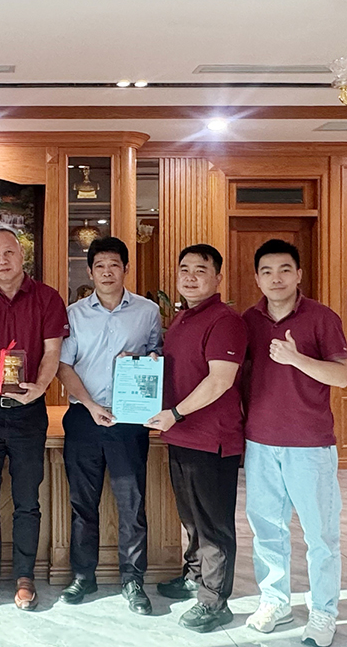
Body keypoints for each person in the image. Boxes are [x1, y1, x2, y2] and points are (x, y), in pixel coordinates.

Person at [241, 239, 347, 647]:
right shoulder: (248, 320)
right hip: (260, 441)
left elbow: (342, 376)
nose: (276, 278)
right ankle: (275, 601)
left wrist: (296, 359)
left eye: (285, 269)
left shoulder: (321, 317)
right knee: (267, 529)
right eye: (267, 271)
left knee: (320, 534)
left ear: (299, 274)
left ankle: (323, 612)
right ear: (257, 278)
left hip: (309, 444)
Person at [0, 226, 69, 611]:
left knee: (27, 500)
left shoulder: (48, 298)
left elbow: (52, 352)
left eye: (9, 253)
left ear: (22, 256)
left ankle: (25, 576)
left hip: (28, 413)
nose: (3, 260)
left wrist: (40, 387)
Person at [56, 237, 162, 615]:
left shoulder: (148, 312)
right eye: (99, 265)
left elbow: (158, 356)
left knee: (131, 504)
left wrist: (147, 359)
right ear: (90, 271)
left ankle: (132, 580)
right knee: (82, 503)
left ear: (126, 269)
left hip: (129, 421)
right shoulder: (73, 314)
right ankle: (83, 575)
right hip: (85, 418)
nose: (106, 272)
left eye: (114, 265)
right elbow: (63, 366)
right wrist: (91, 405)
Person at [146, 244, 247, 634]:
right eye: (184, 269)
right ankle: (194, 576)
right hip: (182, 436)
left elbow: (220, 380)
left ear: (218, 278)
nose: (190, 277)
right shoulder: (182, 319)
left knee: (213, 523)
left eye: (200, 270)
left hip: (212, 438)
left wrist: (175, 413)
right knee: (191, 518)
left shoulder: (225, 320)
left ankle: (214, 600)